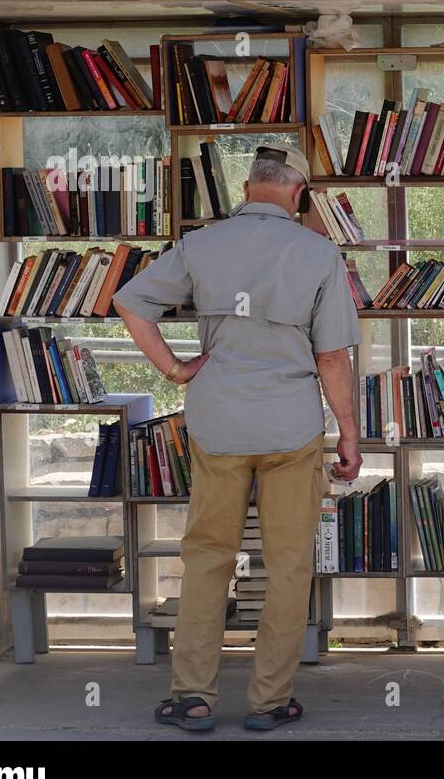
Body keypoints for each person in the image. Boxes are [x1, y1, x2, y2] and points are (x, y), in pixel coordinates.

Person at [113, 143, 362, 732]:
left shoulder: (202, 244)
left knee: (207, 560)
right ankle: (269, 701)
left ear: (250, 188)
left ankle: (192, 697)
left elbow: (129, 302)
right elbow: (331, 357)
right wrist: (349, 431)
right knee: (288, 563)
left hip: (218, 425)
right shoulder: (319, 253)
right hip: (290, 429)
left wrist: (174, 369)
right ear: (298, 194)